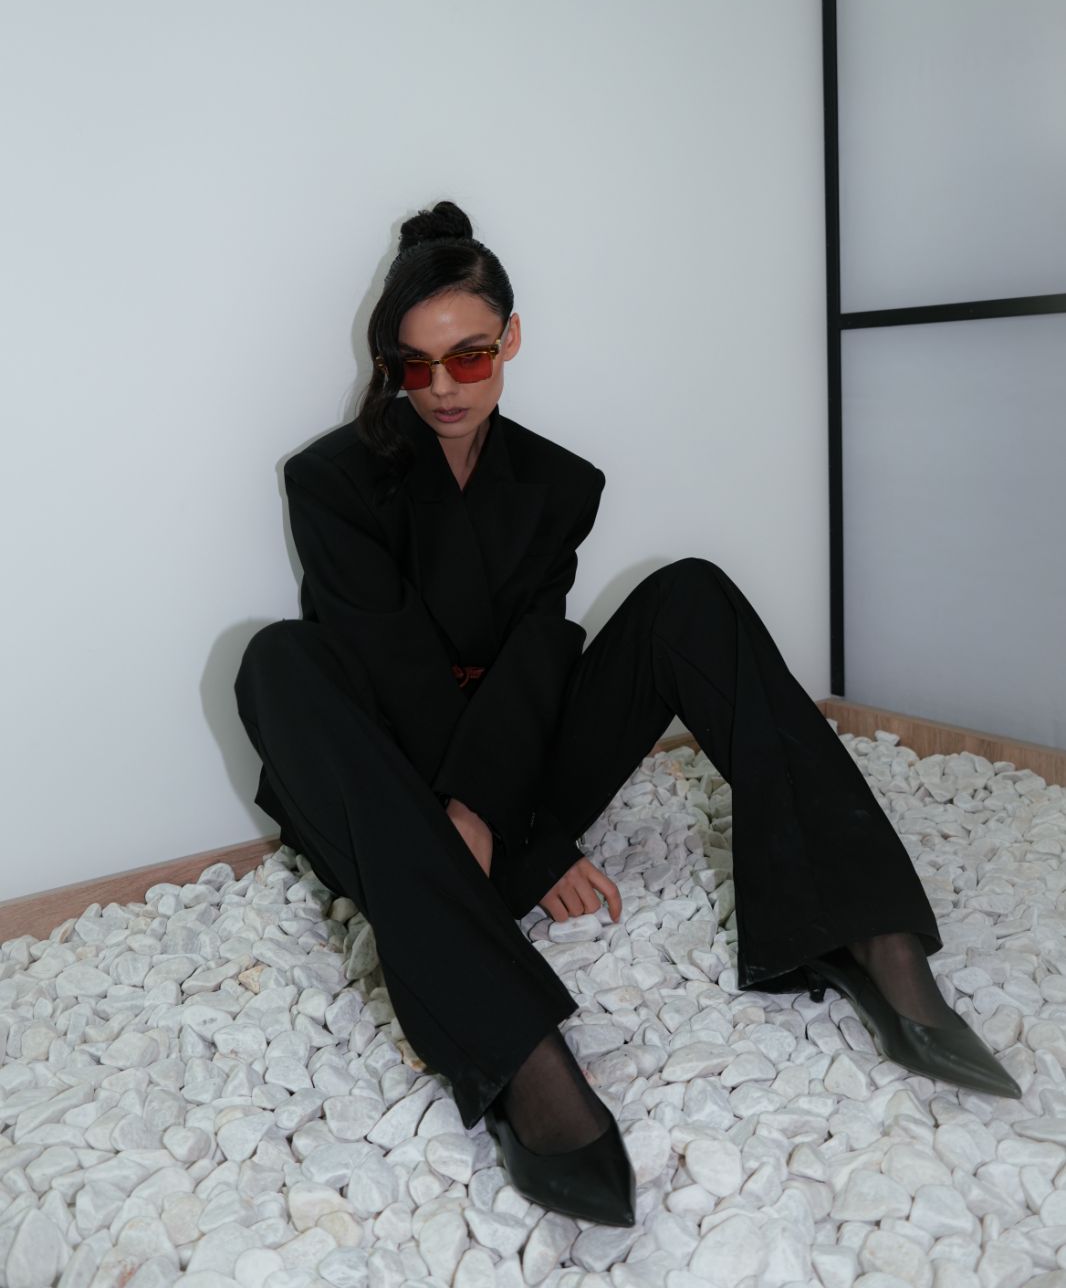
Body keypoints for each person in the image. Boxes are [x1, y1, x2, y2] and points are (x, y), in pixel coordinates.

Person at [234, 199, 1020, 1229]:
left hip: (511, 776)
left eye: (469, 356)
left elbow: (533, 664)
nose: (443, 388)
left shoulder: (559, 482)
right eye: (414, 366)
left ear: (511, 340)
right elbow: (391, 673)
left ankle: (864, 933)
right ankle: (518, 1052)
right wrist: (499, 835)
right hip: (393, 806)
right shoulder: (332, 480)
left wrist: (509, 819)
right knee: (276, 661)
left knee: (688, 594)